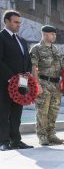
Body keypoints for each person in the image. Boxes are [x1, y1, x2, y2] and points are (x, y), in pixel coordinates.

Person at [0, 10, 33, 151]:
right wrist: (11, 78)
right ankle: (3, 141)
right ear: (6, 21)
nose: (18, 25)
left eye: (19, 22)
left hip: (21, 82)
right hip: (5, 83)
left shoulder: (21, 40)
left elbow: (27, 60)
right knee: (3, 113)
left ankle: (16, 140)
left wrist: (27, 74)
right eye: (15, 22)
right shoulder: (1, 37)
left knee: (17, 113)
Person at [30, 25, 64, 146]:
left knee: (54, 110)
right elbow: (33, 67)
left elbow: (62, 67)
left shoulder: (56, 49)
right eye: (52, 34)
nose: (54, 36)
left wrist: (63, 82)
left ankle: (51, 134)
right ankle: (42, 136)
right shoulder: (36, 49)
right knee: (42, 111)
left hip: (56, 84)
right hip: (44, 83)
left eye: (55, 34)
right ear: (45, 34)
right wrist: (36, 84)